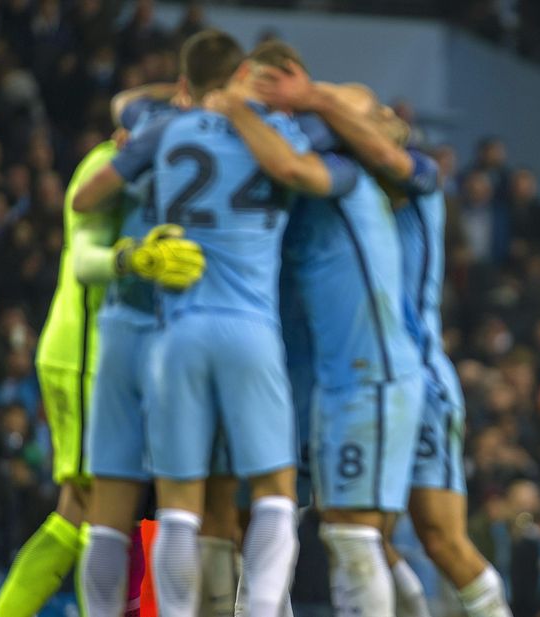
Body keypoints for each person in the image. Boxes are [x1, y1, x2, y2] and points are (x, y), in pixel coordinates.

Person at [75, 29, 356, 616]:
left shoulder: (163, 128)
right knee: (278, 496)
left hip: (168, 331)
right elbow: (342, 132)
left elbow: (87, 194)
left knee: (170, 507)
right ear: (246, 80)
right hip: (251, 329)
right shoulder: (280, 132)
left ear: (185, 84)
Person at [253, 52, 514, 617]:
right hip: (362, 373)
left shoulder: (412, 172)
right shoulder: (343, 186)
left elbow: (376, 152)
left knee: (429, 538)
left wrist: (314, 99)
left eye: (367, 112)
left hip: (413, 372)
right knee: (377, 536)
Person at [206, 42, 425, 617]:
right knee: (266, 515)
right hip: (313, 378)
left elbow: (308, 149)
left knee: (354, 536)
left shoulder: (345, 170)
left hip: (369, 373)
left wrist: (238, 106)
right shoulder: (295, 179)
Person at [0, 138, 195, 617]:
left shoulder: (155, 167)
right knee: (93, 513)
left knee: (88, 513)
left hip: (109, 359)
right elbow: (83, 258)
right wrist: (132, 258)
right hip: (83, 357)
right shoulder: (106, 166)